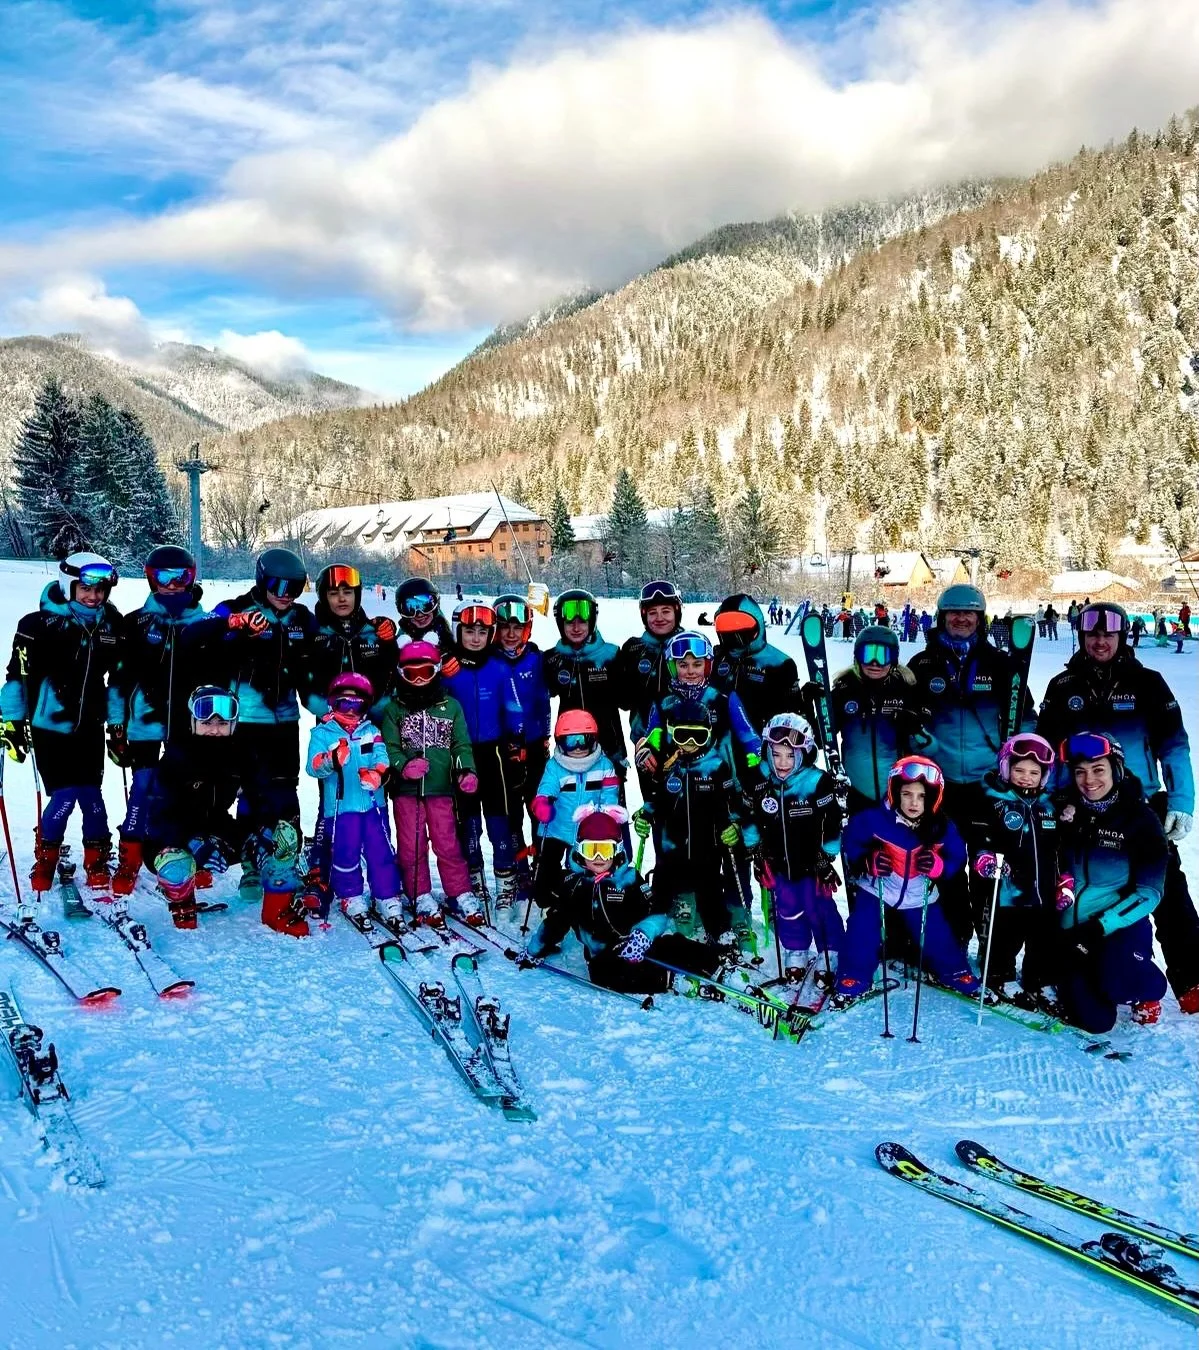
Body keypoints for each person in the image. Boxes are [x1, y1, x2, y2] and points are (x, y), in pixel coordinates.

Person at [1037, 601, 1198, 1012]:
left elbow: (1174, 745)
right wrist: (1050, 800)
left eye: (1108, 634)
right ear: (1082, 636)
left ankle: (1189, 977)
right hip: (1082, 799)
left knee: (1166, 886)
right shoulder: (1062, 686)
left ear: (1122, 636)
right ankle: (1084, 958)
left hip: (1141, 802)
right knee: (1079, 881)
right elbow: (1049, 753)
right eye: (1092, 634)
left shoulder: (1149, 683)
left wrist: (1180, 799)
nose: (1100, 642)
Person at [907, 583, 1035, 944]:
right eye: (954, 612)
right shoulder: (922, 664)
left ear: (981, 618)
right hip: (941, 785)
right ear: (942, 617)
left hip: (988, 784)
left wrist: (1022, 768)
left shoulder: (1002, 666)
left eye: (969, 613)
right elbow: (910, 720)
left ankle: (991, 939)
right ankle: (956, 937)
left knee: (989, 866)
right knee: (945, 866)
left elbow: (1024, 719)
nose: (961, 619)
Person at [197, 547, 318, 900]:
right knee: (249, 790)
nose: (285, 594)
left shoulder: (301, 619)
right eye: (277, 585)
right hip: (246, 719)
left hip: (284, 719)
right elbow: (200, 632)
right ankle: (251, 863)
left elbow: (323, 651)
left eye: (294, 588)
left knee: (284, 790)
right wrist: (230, 625)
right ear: (262, 580)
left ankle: (283, 857)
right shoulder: (236, 608)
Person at [1, 553, 123, 900]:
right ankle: (47, 855)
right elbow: (16, 677)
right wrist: (11, 721)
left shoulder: (110, 624)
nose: (93, 596)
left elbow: (117, 678)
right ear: (68, 585)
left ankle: (97, 857)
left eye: (100, 590)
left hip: (89, 724)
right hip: (49, 725)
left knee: (92, 795)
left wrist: (116, 726)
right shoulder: (37, 625)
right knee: (65, 795)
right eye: (85, 588)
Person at [521, 805, 721, 994]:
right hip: (607, 956)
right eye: (591, 850)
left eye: (605, 850)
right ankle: (670, 980)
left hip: (638, 944)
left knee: (672, 945)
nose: (599, 857)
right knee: (602, 974)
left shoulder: (629, 879)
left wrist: (643, 935)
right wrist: (534, 951)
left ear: (616, 850)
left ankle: (719, 966)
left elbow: (657, 911)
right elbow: (555, 924)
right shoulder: (574, 887)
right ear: (579, 851)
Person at [834, 757, 980, 1003]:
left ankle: (954, 971)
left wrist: (939, 867)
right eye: (907, 794)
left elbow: (957, 856)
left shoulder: (941, 827)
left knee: (936, 934)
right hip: (878, 887)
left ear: (933, 797)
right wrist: (867, 860)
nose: (914, 802)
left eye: (921, 796)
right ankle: (854, 975)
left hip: (918, 890)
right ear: (894, 792)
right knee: (863, 930)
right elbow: (851, 841)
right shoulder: (874, 819)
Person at [109, 545, 209, 895]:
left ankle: (182, 855)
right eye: (162, 577)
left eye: (179, 577)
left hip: (188, 723)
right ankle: (130, 855)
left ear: (191, 578)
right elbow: (119, 679)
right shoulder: (135, 622)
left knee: (187, 788)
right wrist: (116, 723)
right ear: (151, 578)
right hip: (145, 721)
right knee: (144, 787)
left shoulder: (203, 621)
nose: (171, 584)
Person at [1052, 733, 1168, 1031]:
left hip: (1117, 924)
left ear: (1116, 769)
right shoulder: (1063, 810)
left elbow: (1149, 892)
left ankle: (1148, 986)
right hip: (1071, 930)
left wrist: (1100, 927)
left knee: (1119, 983)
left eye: (1098, 769)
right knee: (1096, 1022)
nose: (1088, 780)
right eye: (1080, 772)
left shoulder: (1141, 819)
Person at [638, 699, 757, 948]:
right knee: (662, 892)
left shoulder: (716, 766)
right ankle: (647, 933)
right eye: (683, 735)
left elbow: (729, 803)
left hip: (707, 850)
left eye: (698, 737)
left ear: (709, 734)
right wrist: (645, 814)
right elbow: (657, 798)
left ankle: (722, 934)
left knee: (710, 893)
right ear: (672, 731)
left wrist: (734, 825)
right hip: (672, 850)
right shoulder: (669, 766)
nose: (690, 743)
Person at [379, 641, 480, 926]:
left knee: (447, 843)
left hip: (440, 789)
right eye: (412, 674)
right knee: (412, 845)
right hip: (406, 791)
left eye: (426, 671)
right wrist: (403, 767)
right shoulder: (394, 709)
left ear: (437, 671)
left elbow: (461, 744)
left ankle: (458, 891)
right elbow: (389, 746)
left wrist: (466, 772)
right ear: (401, 675)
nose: (420, 679)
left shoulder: (451, 707)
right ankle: (419, 892)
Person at [746, 714, 844, 980]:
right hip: (778, 862)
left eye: (790, 756)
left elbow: (833, 820)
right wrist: (755, 850)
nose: (782, 763)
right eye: (776, 754)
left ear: (804, 753)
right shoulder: (760, 780)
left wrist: (827, 855)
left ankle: (831, 950)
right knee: (787, 908)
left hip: (812, 862)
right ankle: (796, 949)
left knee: (819, 907)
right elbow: (750, 817)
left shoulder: (815, 781)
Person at [305, 670, 403, 929]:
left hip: (373, 805)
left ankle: (386, 896)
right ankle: (351, 895)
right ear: (332, 703)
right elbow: (313, 767)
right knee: (345, 853)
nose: (350, 710)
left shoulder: (372, 731)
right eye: (343, 703)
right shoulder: (323, 734)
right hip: (340, 807)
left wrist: (377, 775)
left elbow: (382, 758)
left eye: (357, 705)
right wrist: (331, 760)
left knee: (380, 851)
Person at [145, 685, 244, 926]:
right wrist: (191, 841)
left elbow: (262, 795)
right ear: (193, 722)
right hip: (170, 839)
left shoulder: (239, 756)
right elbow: (159, 816)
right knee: (176, 864)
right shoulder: (176, 759)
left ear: (233, 724)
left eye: (221, 724)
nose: (214, 729)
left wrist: (261, 833)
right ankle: (182, 901)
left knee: (280, 838)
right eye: (207, 723)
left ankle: (277, 905)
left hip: (215, 831)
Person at [973, 734, 1060, 1003]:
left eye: (1034, 772)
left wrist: (1064, 879)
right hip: (1009, 890)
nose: (1026, 777)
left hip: (1043, 890)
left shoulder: (1050, 805)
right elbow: (980, 837)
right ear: (1006, 768)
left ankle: (1039, 978)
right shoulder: (994, 800)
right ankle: (1001, 975)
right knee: (1006, 936)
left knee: (1042, 939)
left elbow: (1060, 847)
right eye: (1019, 769)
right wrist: (984, 857)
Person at [443, 601, 519, 907]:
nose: (476, 638)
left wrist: (517, 741)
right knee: (468, 820)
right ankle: (473, 879)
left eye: (483, 632)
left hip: (494, 753)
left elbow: (513, 707)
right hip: (459, 756)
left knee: (499, 818)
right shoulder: (448, 669)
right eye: (469, 631)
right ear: (458, 631)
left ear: (491, 634)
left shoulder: (499, 667)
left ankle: (506, 880)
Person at [812, 625, 928, 816]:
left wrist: (916, 729)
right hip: (855, 792)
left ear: (894, 659)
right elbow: (820, 739)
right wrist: (812, 705)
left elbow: (930, 747)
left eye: (883, 656)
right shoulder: (844, 692)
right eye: (868, 654)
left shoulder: (907, 691)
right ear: (857, 657)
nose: (875, 663)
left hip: (899, 793)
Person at [530, 710, 621, 909]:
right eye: (571, 741)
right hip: (556, 827)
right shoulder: (555, 767)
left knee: (582, 866)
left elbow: (610, 793)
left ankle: (584, 899)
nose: (578, 747)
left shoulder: (604, 765)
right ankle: (548, 900)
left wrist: (605, 816)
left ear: (594, 739)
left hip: (588, 831)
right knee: (548, 864)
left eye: (584, 740)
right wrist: (542, 804)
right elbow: (545, 789)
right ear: (560, 742)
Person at [492, 593, 551, 899]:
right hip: (504, 751)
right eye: (504, 626)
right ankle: (520, 870)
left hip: (537, 747)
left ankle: (544, 865)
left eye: (518, 626)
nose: (511, 633)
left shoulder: (538, 659)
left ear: (528, 628)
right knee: (511, 814)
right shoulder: (489, 661)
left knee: (540, 810)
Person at [543, 588, 626, 787]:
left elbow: (628, 700)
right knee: (573, 807)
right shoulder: (553, 659)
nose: (576, 627)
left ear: (592, 621)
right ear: (560, 624)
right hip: (571, 748)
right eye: (570, 622)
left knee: (611, 809)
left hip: (609, 748)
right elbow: (537, 697)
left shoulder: (611, 655)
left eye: (582, 621)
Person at [614, 579, 683, 810]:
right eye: (652, 612)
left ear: (677, 611)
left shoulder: (688, 645)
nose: (659, 617)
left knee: (689, 811)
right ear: (644, 615)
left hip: (685, 743)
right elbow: (622, 700)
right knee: (656, 811)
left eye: (666, 611)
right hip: (646, 745)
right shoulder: (634, 648)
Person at [307, 563, 398, 719]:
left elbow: (392, 669)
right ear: (324, 597)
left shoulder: (373, 632)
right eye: (334, 593)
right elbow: (305, 682)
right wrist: (327, 712)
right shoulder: (315, 636)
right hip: (333, 723)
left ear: (356, 595)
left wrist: (380, 707)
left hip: (374, 722)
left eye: (348, 592)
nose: (342, 598)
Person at [711, 594, 801, 734]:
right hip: (719, 746)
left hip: (760, 747)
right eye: (726, 625)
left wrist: (806, 704)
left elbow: (793, 717)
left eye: (739, 624)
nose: (733, 631)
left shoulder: (780, 664)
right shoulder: (717, 658)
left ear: (756, 624)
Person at [395, 576, 456, 655]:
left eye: (426, 605)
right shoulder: (401, 641)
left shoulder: (448, 636)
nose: (419, 614)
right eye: (410, 609)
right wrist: (386, 645)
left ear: (436, 606)